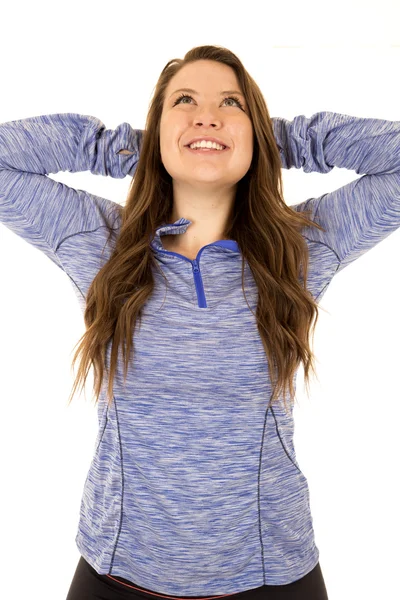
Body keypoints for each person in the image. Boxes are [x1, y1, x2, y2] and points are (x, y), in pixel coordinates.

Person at [1, 44, 399, 600]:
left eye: (230, 104)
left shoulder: (302, 247)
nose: (206, 114)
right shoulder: (100, 242)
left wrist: (267, 140)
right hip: (117, 575)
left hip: (272, 578)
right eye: (183, 101)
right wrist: (138, 149)